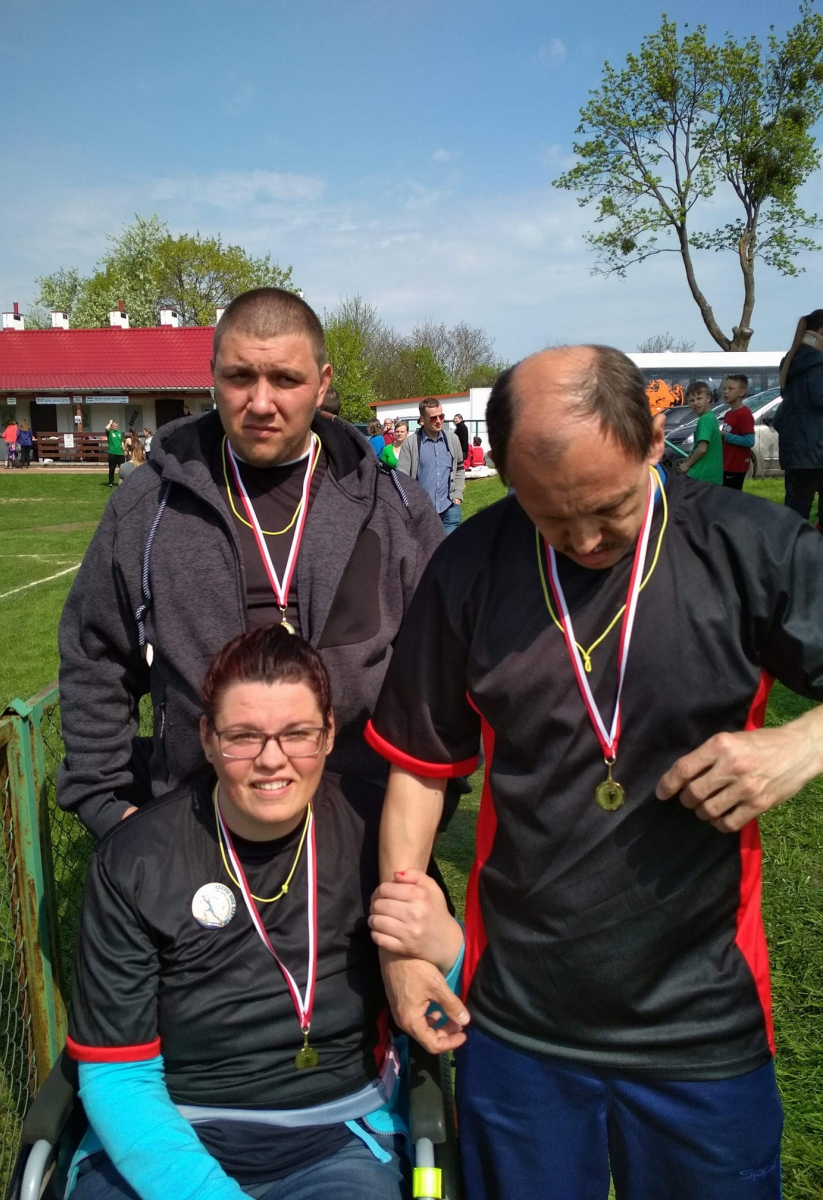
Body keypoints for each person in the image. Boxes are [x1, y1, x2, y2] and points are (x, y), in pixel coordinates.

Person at [366, 344, 823, 1200]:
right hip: (516, 1021)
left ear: (652, 441)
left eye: (608, 509)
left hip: (702, 1022)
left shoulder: (749, 545)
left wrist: (803, 744)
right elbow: (420, 770)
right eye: (548, 515)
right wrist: (402, 953)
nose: (581, 540)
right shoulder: (468, 566)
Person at [65, 626, 462, 1200]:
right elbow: (118, 1074)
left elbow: (445, 1011)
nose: (272, 760)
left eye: (297, 734)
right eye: (244, 737)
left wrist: (451, 952)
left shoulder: (380, 832)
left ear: (329, 734)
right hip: (169, 1131)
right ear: (207, 739)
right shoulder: (135, 858)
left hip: (338, 1138)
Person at [58, 287, 443, 838]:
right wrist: (104, 803)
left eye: (286, 379)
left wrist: (423, 815)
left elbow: (440, 672)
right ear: (213, 375)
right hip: (197, 830)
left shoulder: (394, 507)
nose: (261, 403)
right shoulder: (149, 505)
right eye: (240, 377)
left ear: (323, 383)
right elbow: (95, 655)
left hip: (364, 831)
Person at [774, 308, 823, 522]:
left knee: (796, 504)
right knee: (802, 503)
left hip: (795, 447)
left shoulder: (791, 359)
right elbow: (819, 398)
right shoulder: (818, 362)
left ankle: (791, 540)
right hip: (815, 448)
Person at [396, 398, 465, 533]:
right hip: (421, 512)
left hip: (449, 510)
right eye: (433, 418)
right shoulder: (411, 443)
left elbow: (460, 469)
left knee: (449, 546)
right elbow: (402, 478)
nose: (439, 421)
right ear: (422, 419)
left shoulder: (452, 440)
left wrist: (457, 497)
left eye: (441, 416)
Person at [678, 380, 723, 483]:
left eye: (699, 398)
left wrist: (687, 465)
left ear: (708, 398)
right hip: (712, 475)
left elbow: (702, 449)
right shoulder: (711, 417)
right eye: (691, 400)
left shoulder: (705, 419)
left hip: (701, 475)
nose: (695, 403)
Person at [721, 374, 755, 490]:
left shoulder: (745, 414)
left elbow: (749, 441)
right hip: (726, 464)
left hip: (736, 466)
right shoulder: (728, 414)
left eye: (730, 389)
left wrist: (726, 436)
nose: (726, 391)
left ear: (741, 392)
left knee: (731, 496)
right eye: (725, 388)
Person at [105, 420, 125, 487]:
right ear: (112, 426)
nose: (116, 427)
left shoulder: (119, 432)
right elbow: (106, 428)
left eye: (117, 426)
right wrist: (110, 422)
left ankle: (123, 482)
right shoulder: (110, 432)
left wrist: (124, 450)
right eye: (115, 426)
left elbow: (121, 442)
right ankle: (111, 482)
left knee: (122, 469)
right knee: (112, 468)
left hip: (120, 453)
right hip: (112, 453)